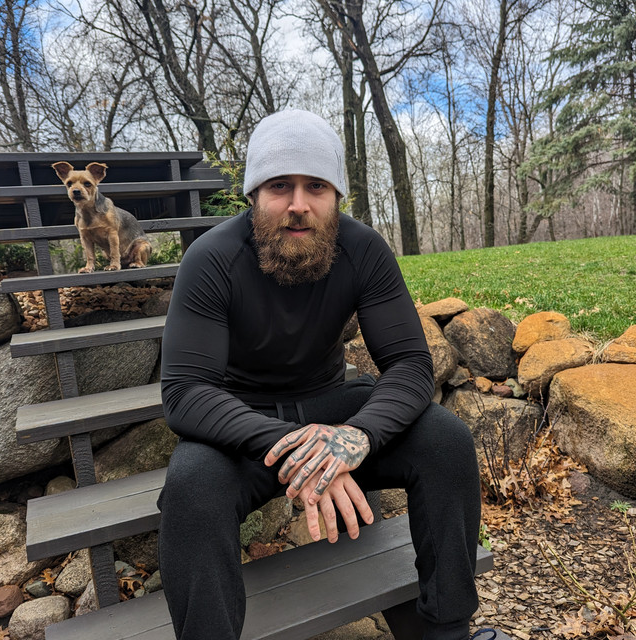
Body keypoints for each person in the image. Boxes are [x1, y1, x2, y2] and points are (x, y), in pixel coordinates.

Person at [158, 109, 499, 640]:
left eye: (315, 186)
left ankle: (447, 632)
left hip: (332, 405)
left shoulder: (362, 249)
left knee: (446, 442)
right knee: (190, 488)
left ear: (337, 194)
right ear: (253, 194)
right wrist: (304, 449)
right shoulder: (211, 259)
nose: (298, 204)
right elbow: (185, 392)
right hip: (244, 426)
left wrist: (354, 437)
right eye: (280, 185)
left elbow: (410, 364)